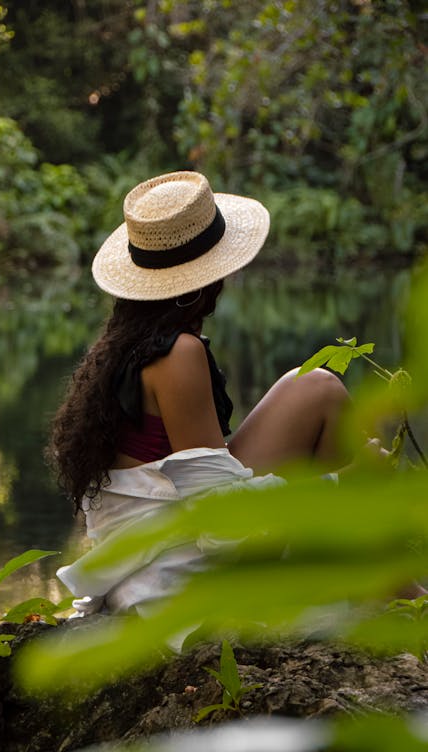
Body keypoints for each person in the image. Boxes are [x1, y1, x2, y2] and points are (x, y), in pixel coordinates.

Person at [51, 171, 351, 617]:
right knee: (320, 389)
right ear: (206, 277)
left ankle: (386, 576)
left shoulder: (128, 343)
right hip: (174, 567)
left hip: (147, 550)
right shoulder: (177, 355)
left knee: (309, 387)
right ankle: (398, 589)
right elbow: (219, 516)